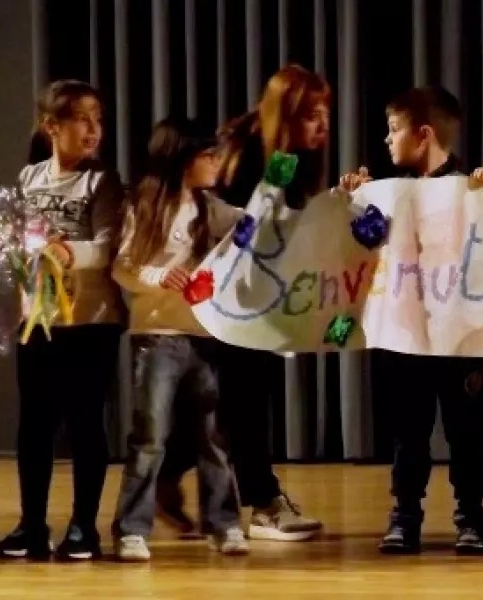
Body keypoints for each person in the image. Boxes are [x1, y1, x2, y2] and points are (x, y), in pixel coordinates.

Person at [155, 64, 326, 541]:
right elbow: (241, 228)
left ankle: (164, 475)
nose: (323, 125)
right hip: (226, 299)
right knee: (246, 396)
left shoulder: (288, 157)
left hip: (263, 296)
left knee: (232, 404)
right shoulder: (249, 153)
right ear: (287, 114)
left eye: (325, 113)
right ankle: (263, 501)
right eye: (312, 114)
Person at [346, 86, 483, 554]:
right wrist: (356, 202)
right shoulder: (389, 194)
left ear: (423, 134)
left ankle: (471, 515)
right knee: (409, 428)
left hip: (458, 333)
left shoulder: (473, 186)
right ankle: (405, 515)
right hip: (407, 331)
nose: (387, 141)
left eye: (394, 130)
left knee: (465, 428)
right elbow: (365, 241)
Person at [108, 116, 250, 561]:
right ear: (185, 158)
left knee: (213, 436)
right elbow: (122, 266)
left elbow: (257, 227)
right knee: (150, 436)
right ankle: (132, 528)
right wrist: (157, 275)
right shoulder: (146, 206)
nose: (216, 163)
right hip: (157, 338)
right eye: (209, 155)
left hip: (205, 337)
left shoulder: (212, 207)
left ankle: (223, 523)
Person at [0, 80, 126, 561]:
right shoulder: (29, 179)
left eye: (98, 119)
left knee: (85, 423)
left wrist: (66, 251)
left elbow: (109, 247)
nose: (93, 129)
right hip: (40, 321)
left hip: (91, 321)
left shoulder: (101, 182)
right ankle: (31, 525)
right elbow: (17, 246)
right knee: (34, 425)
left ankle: (83, 527)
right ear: (53, 126)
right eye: (82, 119)